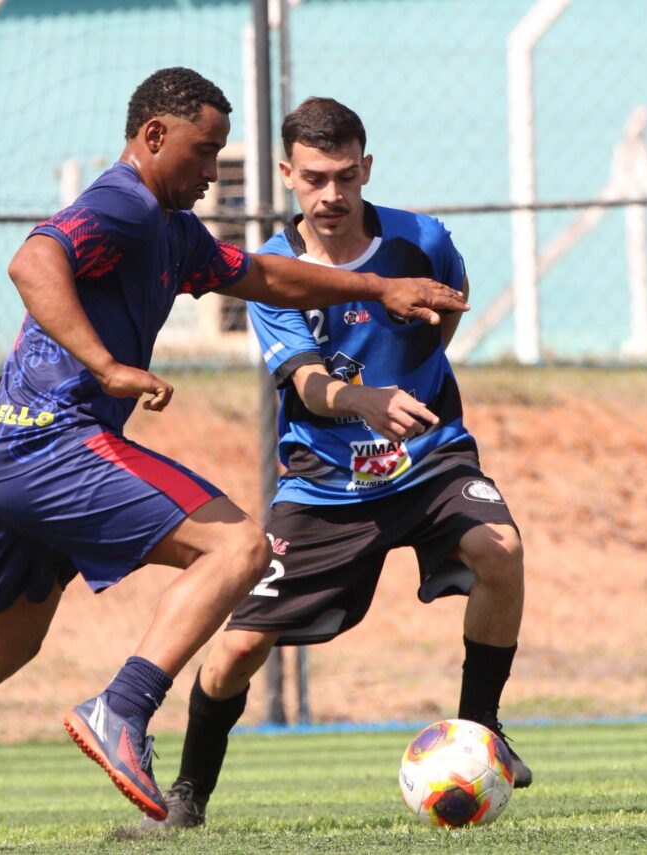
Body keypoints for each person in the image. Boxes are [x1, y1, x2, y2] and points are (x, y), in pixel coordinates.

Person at [0, 72, 468, 846]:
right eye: (204, 150)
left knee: (3, 644)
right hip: (51, 441)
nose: (213, 170)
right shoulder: (125, 201)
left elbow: (262, 276)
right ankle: (123, 705)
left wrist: (376, 287)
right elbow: (32, 261)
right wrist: (107, 365)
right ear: (154, 136)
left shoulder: (175, 232)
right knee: (238, 545)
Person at [142, 96, 530, 832]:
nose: (332, 195)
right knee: (238, 648)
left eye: (346, 176)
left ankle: (482, 729)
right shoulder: (271, 271)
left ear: (367, 169)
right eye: (315, 178)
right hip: (324, 486)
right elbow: (308, 385)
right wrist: (367, 400)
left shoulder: (423, 240)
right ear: (288, 174)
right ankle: (186, 798)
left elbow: (450, 305)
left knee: (500, 548)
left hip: (431, 462)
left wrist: (417, 379)